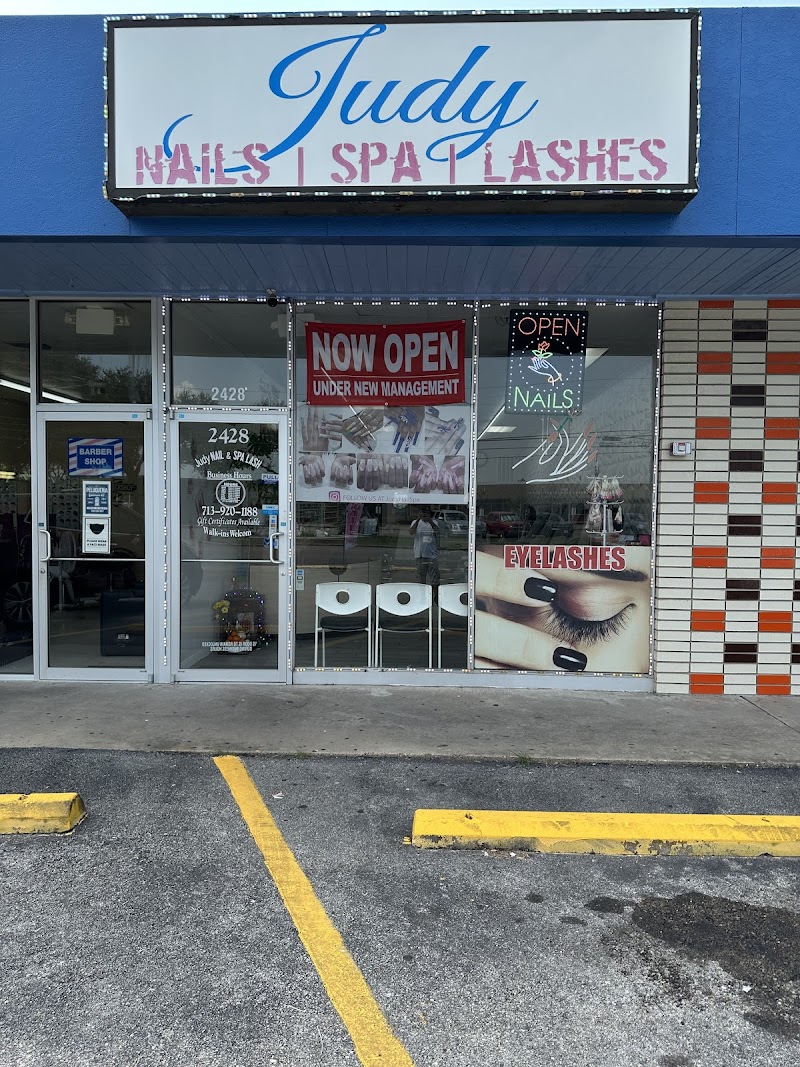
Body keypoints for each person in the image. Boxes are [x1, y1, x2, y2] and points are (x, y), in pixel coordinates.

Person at [409, 506, 440, 595]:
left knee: (434, 578)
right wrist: (418, 519)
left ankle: (435, 596)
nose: (424, 515)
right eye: (423, 513)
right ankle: (421, 595)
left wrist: (430, 521)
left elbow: (438, 532)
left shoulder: (434, 522)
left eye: (426, 513)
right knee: (420, 578)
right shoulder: (415, 522)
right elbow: (411, 532)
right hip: (419, 555)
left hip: (431, 554)